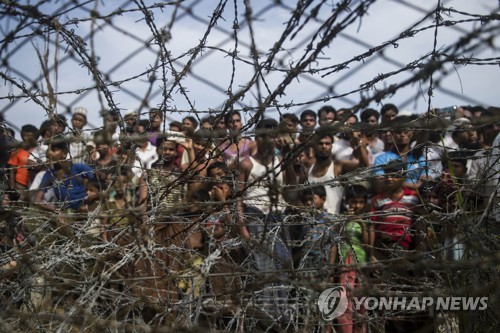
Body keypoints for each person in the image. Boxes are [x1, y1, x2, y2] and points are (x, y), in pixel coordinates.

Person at [331, 185, 369, 333]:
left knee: (360, 302)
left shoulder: (367, 220)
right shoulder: (342, 219)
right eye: (354, 201)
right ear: (347, 201)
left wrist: (361, 223)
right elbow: (334, 241)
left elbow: (368, 245)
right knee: (344, 301)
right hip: (345, 264)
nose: (357, 205)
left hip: (361, 263)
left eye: (361, 202)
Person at [304, 130, 370, 215]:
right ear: (314, 147)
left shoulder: (337, 166)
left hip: (333, 221)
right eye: (320, 143)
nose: (324, 146)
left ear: (332, 146)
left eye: (327, 144)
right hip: (311, 222)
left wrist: (359, 143)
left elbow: (363, 167)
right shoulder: (308, 171)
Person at [33, 136, 95, 213]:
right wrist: (56, 210)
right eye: (48, 151)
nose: (49, 153)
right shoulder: (49, 174)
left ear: (64, 153)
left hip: (88, 207)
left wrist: (93, 193)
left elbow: (99, 182)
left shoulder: (78, 168)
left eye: (54, 150)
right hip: (69, 212)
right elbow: (37, 200)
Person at [8, 124, 39, 203]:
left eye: (29, 135)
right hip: (20, 185)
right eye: (24, 135)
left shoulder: (39, 150)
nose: (25, 138)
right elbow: (12, 170)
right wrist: (12, 188)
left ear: (35, 136)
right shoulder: (18, 150)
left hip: (35, 185)